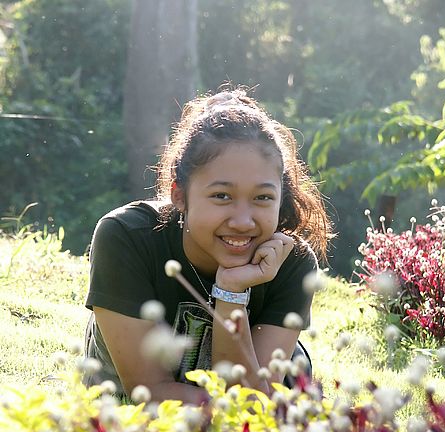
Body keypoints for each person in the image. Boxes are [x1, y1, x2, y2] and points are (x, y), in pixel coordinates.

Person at [83, 86, 334, 403]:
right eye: (222, 196)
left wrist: (232, 290)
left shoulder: (292, 262)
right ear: (179, 195)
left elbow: (246, 401)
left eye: (262, 198)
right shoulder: (125, 237)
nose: (243, 221)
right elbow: (149, 393)